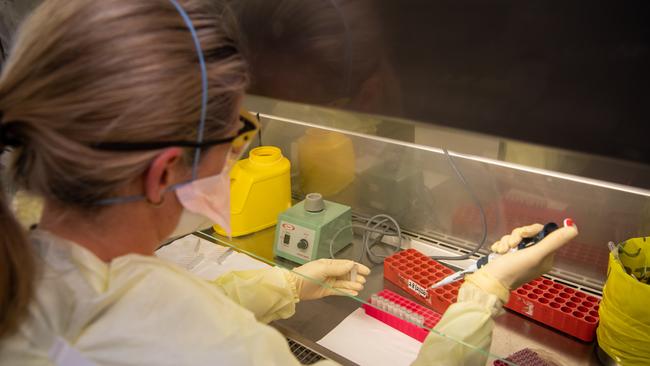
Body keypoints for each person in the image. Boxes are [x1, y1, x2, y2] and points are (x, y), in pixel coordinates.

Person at [0, 0, 578, 365]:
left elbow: (128, 304)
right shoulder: (229, 350)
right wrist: (481, 296)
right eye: (234, 136)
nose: (235, 156)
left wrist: (286, 287)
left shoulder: (25, 267)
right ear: (162, 174)